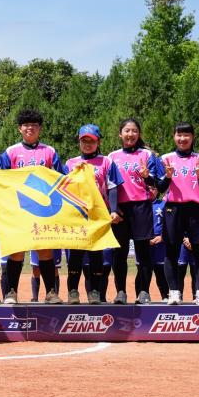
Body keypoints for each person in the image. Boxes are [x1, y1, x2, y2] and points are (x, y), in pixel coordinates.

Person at [0, 109, 66, 304]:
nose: (30, 129)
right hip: (18, 210)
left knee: (44, 251)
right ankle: (11, 292)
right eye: (26, 125)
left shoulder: (49, 151)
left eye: (34, 126)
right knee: (17, 251)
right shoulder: (10, 152)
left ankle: (51, 293)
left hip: (43, 211)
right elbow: (0, 180)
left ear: (40, 129)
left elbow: (61, 180)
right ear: (20, 129)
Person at [156, 122, 199, 305]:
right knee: (171, 252)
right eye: (179, 135)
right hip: (173, 208)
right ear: (174, 136)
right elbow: (160, 188)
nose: (182, 138)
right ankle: (174, 293)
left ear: (193, 137)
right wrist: (167, 176)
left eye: (186, 135)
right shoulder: (166, 159)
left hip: (196, 208)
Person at [64, 125, 124, 304]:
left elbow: (113, 187)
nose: (88, 144)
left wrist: (113, 210)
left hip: (99, 215)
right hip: (77, 215)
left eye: (91, 140)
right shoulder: (70, 163)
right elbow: (62, 188)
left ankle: (95, 292)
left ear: (98, 142)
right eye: (84, 140)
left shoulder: (106, 162)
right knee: (75, 254)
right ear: (79, 142)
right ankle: (73, 291)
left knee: (97, 254)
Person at [108, 118, 165, 304]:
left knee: (143, 253)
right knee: (120, 253)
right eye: (126, 131)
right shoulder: (112, 157)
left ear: (138, 133)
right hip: (120, 210)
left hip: (141, 207)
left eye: (134, 131)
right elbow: (108, 186)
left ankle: (143, 292)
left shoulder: (148, 156)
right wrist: (113, 208)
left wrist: (147, 178)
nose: (130, 134)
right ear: (120, 134)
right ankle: (121, 292)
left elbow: (159, 184)